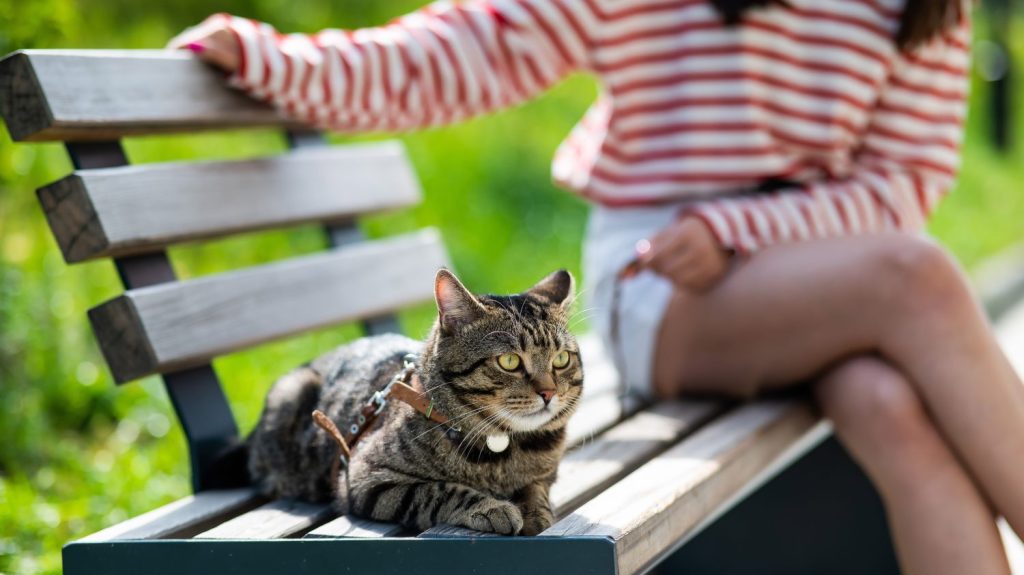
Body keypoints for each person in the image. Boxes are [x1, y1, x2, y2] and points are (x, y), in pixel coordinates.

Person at [170, 1, 1024, 572]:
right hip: (663, 282)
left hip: (832, 282)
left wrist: (739, 228)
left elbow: (905, 180)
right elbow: (474, 47)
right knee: (918, 275)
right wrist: (277, 59)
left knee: (886, 402)